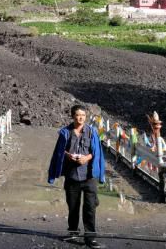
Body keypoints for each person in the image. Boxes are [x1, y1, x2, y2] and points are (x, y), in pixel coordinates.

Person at [48, 105, 106, 249]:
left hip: (89, 176)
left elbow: (96, 152)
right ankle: (73, 231)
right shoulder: (65, 133)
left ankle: (90, 238)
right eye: (78, 115)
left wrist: (86, 158)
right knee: (73, 207)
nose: (81, 118)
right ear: (73, 116)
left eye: (83, 115)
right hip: (72, 176)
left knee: (90, 208)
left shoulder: (92, 132)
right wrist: (69, 155)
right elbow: (60, 152)